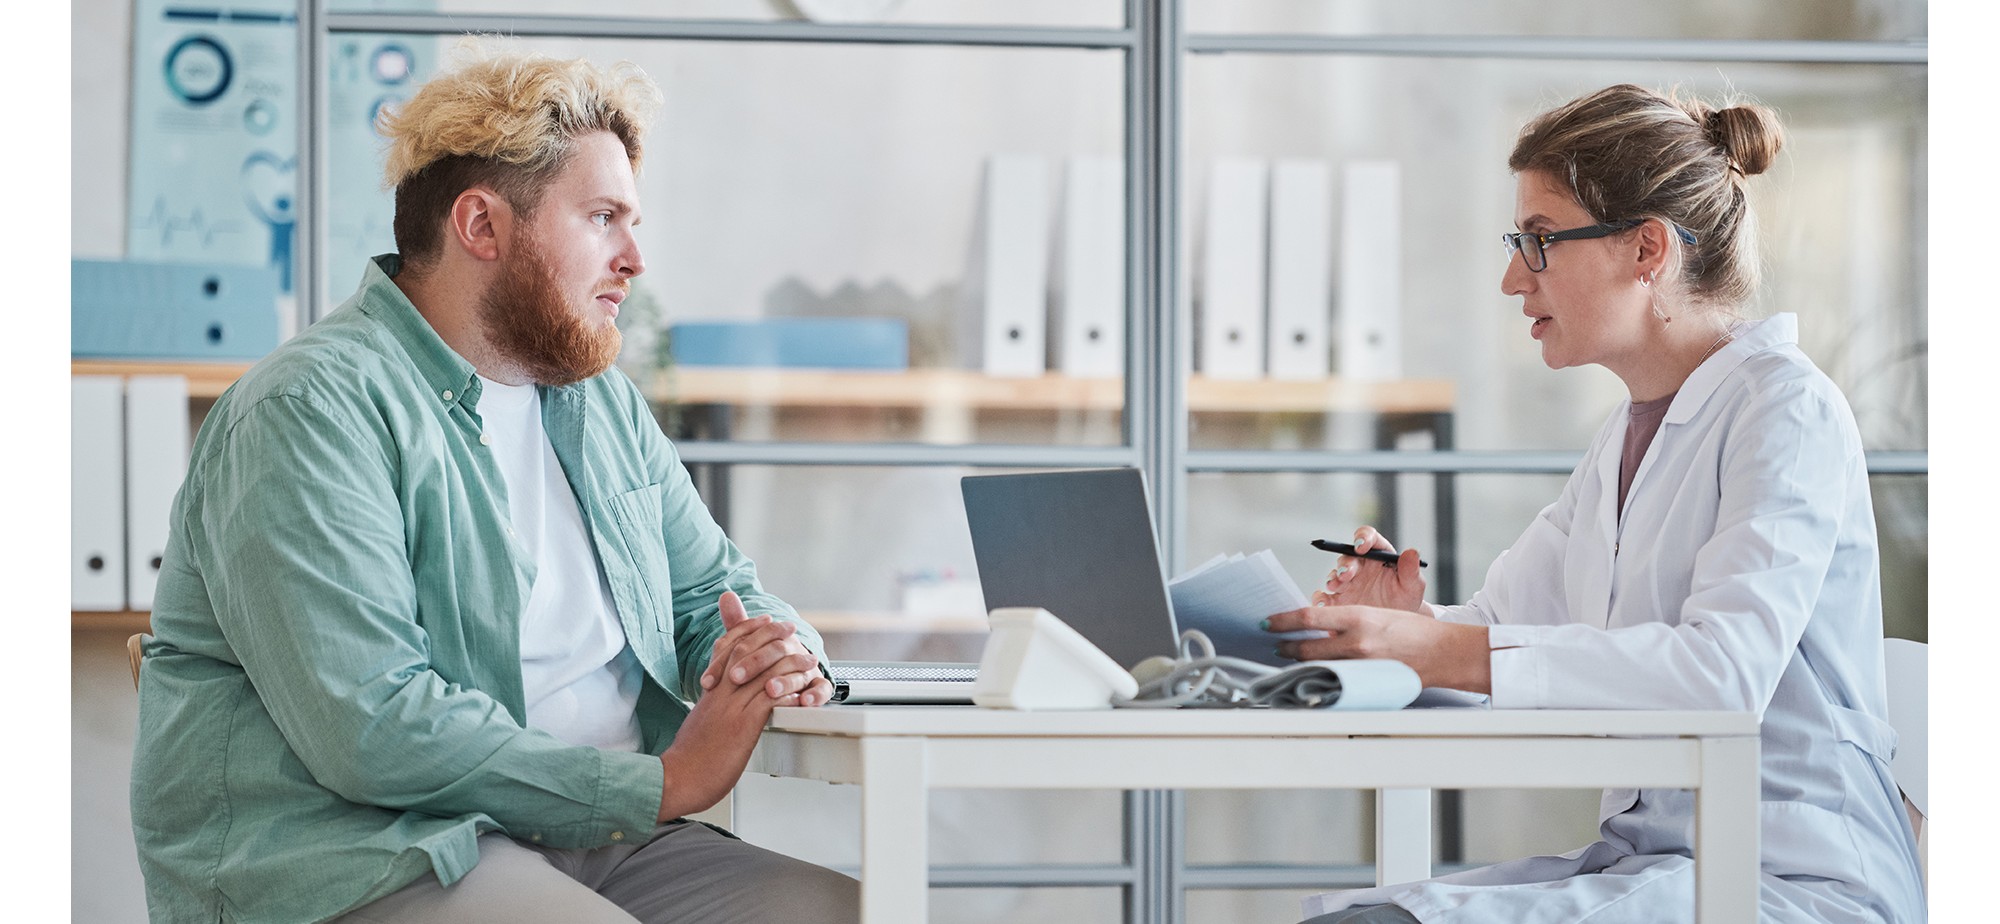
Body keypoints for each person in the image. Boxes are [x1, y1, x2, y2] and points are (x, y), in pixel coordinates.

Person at [130, 44, 858, 924]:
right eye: (602, 217)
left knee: (857, 912)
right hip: (371, 851)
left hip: (603, 843)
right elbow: (373, 725)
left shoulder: (598, 405)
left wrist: (777, 651)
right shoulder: (308, 409)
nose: (633, 257)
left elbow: (713, 590)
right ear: (481, 227)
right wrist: (661, 782)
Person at [1265, 84, 1926, 923]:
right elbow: (1501, 640)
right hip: (1661, 865)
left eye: (1540, 241)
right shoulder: (1623, 441)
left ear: (1647, 248)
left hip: (1791, 880)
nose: (1512, 278)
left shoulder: (1785, 409)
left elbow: (1720, 675)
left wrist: (1441, 648)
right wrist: (1407, 630)